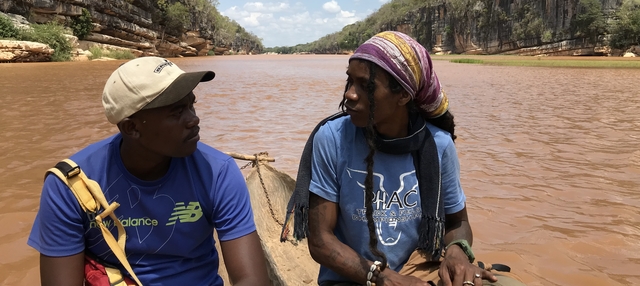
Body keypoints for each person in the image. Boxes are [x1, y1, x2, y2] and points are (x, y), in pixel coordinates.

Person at [283, 31, 525, 286]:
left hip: (419, 270)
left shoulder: (438, 145)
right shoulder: (332, 138)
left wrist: (457, 251)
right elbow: (320, 241)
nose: (350, 95)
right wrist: (384, 278)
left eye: (366, 86)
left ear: (403, 96)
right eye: (350, 81)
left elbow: (458, 221)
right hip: (356, 278)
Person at [28, 57, 270, 286]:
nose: (193, 120)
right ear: (131, 127)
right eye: (176, 112)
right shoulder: (70, 185)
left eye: (191, 105)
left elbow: (251, 280)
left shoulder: (217, 173)